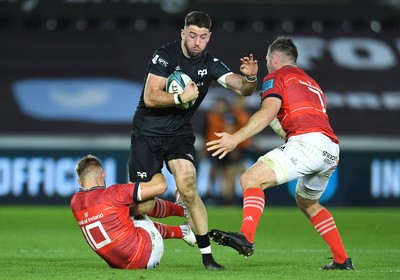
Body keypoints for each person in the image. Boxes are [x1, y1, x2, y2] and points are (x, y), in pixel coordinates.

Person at [206, 36, 354, 270]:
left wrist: (235, 138)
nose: (266, 64)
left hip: (307, 142)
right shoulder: (312, 83)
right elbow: (287, 120)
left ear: (274, 58)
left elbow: (267, 113)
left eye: (267, 59)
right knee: (307, 202)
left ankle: (247, 236)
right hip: (330, 148)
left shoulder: (276, 76)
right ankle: (342, 260)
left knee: (250, 179)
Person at [128, 11, 258, 270]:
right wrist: (181, 98)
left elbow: (241, 87)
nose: (197, 42)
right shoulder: (164, 56)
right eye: (192, 36)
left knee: (188, 185)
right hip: (147, 134)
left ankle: (207, 258)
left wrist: (250, 78)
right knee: (143, 204)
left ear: (209, 37)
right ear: (183, 34)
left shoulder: (210, 63)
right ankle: (178, 214)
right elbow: (151, 96)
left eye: (202, 37)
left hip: (179, 133)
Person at [70, 154, 196, 270]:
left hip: (120, 265)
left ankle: (184, 229)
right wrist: (155, 170)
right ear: (103, 174)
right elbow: (161, 187)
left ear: (79, 182)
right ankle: (183, 214)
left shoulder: (75, 202)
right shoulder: (114, 193)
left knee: (121, 212)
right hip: (148, 253)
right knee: (142, 203)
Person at [204, 96, 252, 204]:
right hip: (223, 147)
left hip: (230, 148)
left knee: (229, 173)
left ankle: (228, 198)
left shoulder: (232, 115)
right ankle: (224, 198)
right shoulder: (228, 115)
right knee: (223, 173)